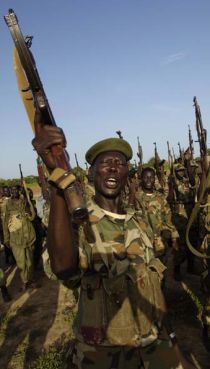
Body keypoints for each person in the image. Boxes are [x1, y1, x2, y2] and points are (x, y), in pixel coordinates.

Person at [32, 120, 195, 369]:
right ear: (91, 173)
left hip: (155, 348)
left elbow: (153, 288)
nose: (113, 169)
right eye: (105, 163)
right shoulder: (81, 222)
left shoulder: (139, 223)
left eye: (120, 164)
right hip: (102, 355)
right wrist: (58, 182)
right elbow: (63, 268)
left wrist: (172, 342)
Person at [131, 167, 179, 264]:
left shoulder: (160, 198)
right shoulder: (136, 196)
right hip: (142, 242)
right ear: (141, 178)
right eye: (146, 177)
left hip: (159, 241)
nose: (149, 180)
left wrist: (173, 238)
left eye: (151, 177)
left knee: (161, 268)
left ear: (155, 179)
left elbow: (168, 218)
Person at [3, 185, 36, 290]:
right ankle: (25, 281)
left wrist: (28, 205)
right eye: (11, 190)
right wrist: (6, 239)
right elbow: (5, 223)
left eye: (15, 190)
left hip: (29, 237)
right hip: (15, 239)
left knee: (30, 262)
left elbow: (32, 217)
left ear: (18, 191)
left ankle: (31, 280)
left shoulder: (24, 201)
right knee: (21, 263)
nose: (13, 191)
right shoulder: (8, 204)